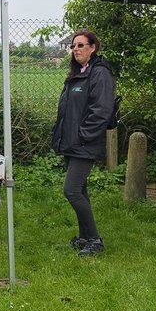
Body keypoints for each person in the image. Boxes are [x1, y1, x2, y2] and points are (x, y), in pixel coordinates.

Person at [51, 30, 116, 257]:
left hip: (84, 143)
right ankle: (85, 237)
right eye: (73, 45)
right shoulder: (78, 74)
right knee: (81, 190)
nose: (75, 49)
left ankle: (95, 240)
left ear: (93, 48)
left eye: (80, 45)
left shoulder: (99, 74)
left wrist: (82, 135)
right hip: (71, 142)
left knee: (71, 191)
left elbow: (102, 111)